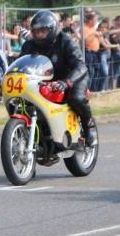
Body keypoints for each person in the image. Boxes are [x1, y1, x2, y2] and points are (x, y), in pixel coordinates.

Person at [20, 9, 96, 147]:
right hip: (46, 80)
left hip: (71, 77)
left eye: (43, 31)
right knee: (25, 103)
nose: (39, 35)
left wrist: (67, 82)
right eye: (36, 31)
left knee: (76, 98)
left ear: (52, 29)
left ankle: (89, 127)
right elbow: (21, 65)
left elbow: (80, 66)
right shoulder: (29, 45)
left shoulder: (66, 41)